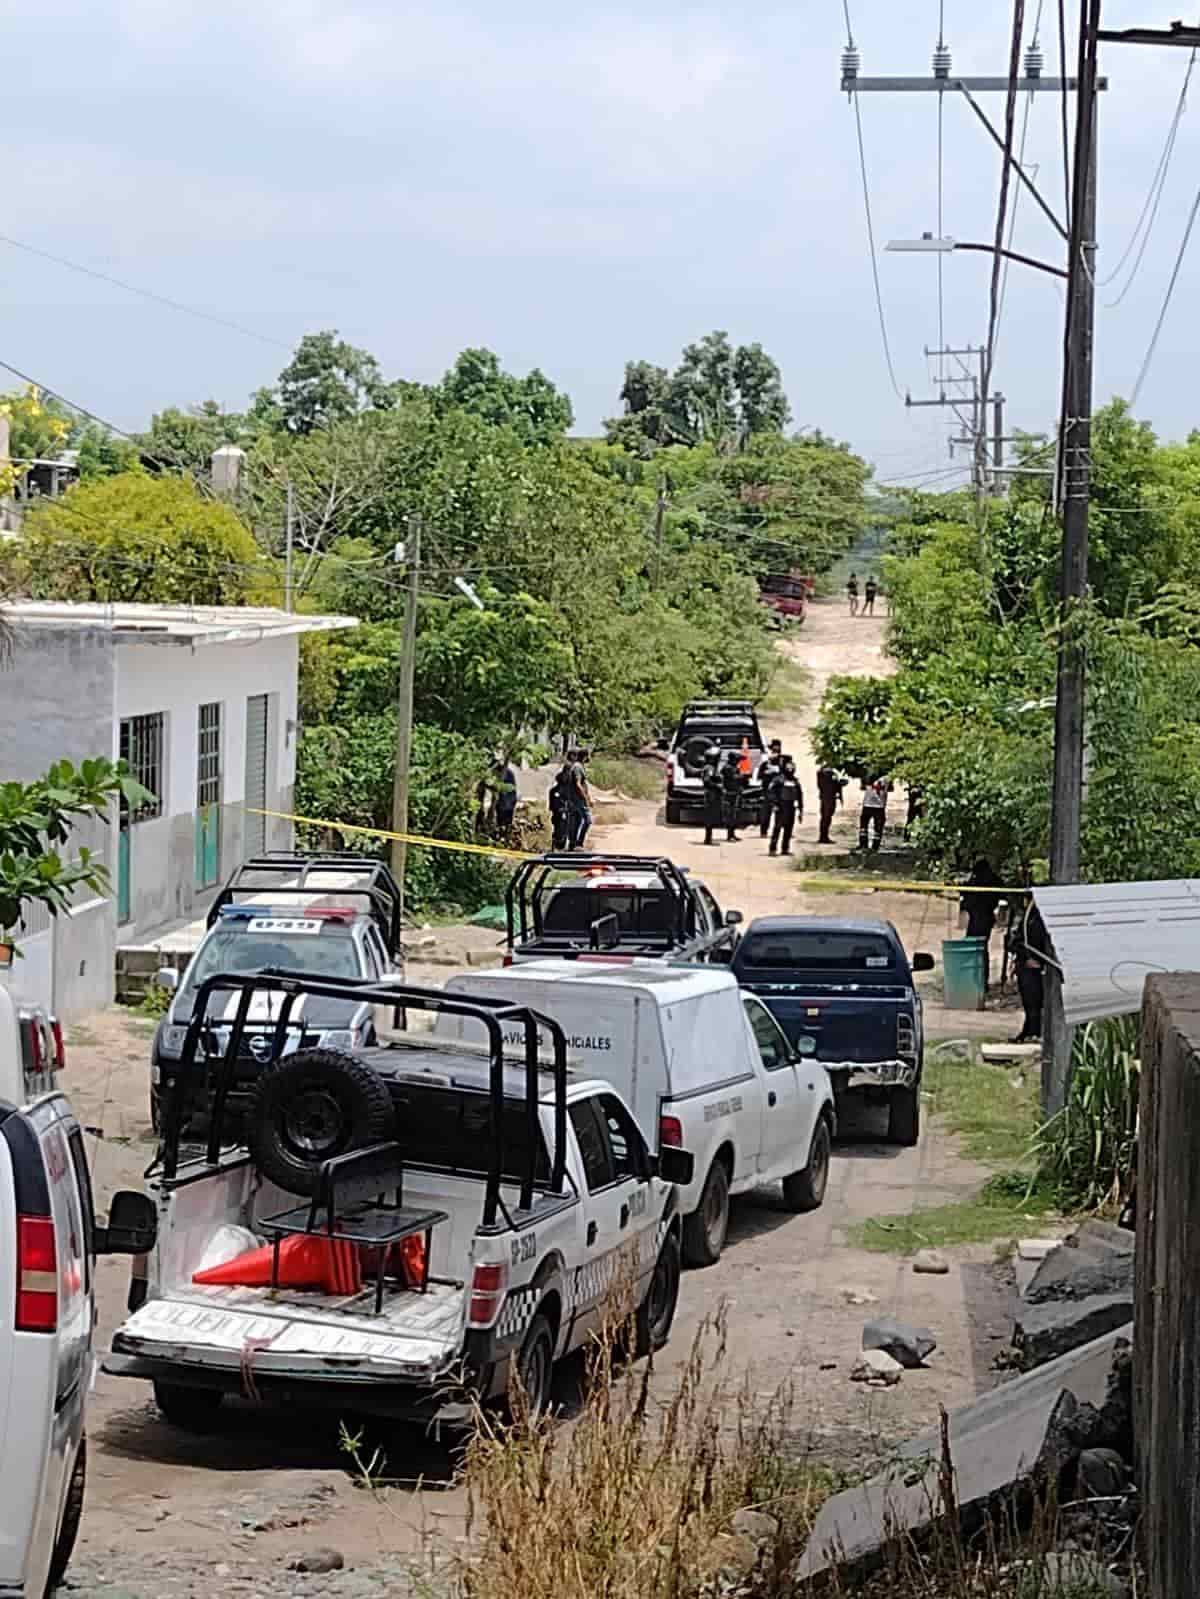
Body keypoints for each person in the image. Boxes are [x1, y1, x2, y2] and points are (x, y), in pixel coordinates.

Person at [1006, 891, 1049, 1042]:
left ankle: (1035, 1032)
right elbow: (1017, 941)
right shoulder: (1028, 917)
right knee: (1029, 1002)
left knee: (1035, 1002)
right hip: (1025, 964)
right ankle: (1030, 1031)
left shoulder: (1038, 918)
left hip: (1036, 966)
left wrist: (1040, 961)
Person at [960, 858, 1004, 992]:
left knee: (975, 950)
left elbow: (966, 900)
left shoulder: (977, 882)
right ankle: (980, 982)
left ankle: (974, 981)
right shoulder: (992, 881)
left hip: (979, 919)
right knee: (981, 950)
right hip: (984, 919)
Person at [769, 756, 802, 856]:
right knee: (777, 828)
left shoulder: (795, 781)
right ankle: (773, 849)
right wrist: (774, 804)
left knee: (789, 829)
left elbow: (800, 795)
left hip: (791, 807)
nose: (790, 769)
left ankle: (785, 849)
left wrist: (801, 809)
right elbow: (771, 793)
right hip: (781, 807)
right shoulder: (778, 780)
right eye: (788, 767)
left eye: (792, 767)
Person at [565, 748, 592, 851]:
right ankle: (579, 843)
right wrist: (585, 797)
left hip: (576, 800)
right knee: (588, 820)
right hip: (578, 800)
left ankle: (573, 845)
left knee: (576, 822)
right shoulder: (577, 767)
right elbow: (578, 784)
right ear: (585, 756)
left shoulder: (578, 766)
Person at [758, 739, 784, 838]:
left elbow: (789, 771)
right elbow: (760, 775)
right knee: (766, 812)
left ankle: (779, 829)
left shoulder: (783, 760)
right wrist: (767, 772)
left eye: (778, 746)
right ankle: (763, 831)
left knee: (781, 812)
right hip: (768, 790)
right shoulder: (766, 761)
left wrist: (778, 770)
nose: (776, 749)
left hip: (780, 790)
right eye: (774, 747)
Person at [858, 776, 890, 852]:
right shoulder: (887, 777)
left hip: (868, 804)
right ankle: (875, 846)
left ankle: (863, 844)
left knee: (864, 826)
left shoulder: (866, 776)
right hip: (879, 805)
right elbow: (891, 788)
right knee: (878, 828)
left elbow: (862, 787)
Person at [701, 746, 725, 846]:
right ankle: (708, 839)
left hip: (714, 794)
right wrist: (717, 786)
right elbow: (707, 780)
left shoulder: (712, 768)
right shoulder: (709, 768)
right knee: (709, 816)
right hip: (711, 794)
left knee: (713, 815)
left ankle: (709, 838)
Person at [720, 747, 745, 842]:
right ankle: (730, 835)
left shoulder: (733, 767)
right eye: (737, 760)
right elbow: (733, 778)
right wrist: (742, 777)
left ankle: (732, 834)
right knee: (730, 815)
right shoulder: (728, 768)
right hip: (729, 793)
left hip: (735, 793)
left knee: (734, 815)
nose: (738, 762)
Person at [816, 764, 845, 844]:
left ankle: (824, 836)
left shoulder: (826, 772)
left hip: (829, 796)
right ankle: (823, 837)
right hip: (828, 797)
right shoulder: (825, 772)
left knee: (827, 816)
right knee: (826, 816)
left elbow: (840, 783)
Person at [492, 759, 518, 841]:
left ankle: (504, 836)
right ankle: (505, 836)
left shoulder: (504, 774)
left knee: (503, 821)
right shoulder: (508, 772)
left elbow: (503, 789)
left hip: (505, 803)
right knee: (506, 821)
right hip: (508, 802)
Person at [548, 762, 571, 851]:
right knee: (559, 829)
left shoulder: (568, 787)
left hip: (563, 811)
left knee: (563, 829)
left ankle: (561, 845)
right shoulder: (555, 790)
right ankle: (557, 845)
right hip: (559, 811)